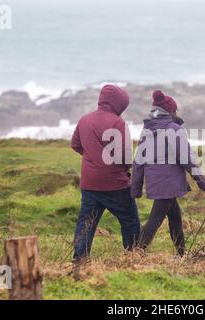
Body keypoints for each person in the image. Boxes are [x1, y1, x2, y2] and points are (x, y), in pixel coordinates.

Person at [131, 90, 205, 256]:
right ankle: (136, 254)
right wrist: (200, 179)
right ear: (171, 112)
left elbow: (138, 160)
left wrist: (136, 187)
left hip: (158, 184)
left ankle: (181, 254)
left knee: (175, 218)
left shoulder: (147, 130)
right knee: (155, 220)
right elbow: (186, 157)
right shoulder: (173, 129)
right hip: (169, 184)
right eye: (176, 110)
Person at [71, 84, 140, 263]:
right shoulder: (118, 123)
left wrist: (92, 157)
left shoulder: (84, 119)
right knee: (130, 220)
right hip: (114, 183)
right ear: (118, 104)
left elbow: (75, 144)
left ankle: (79, 260)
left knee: (86, 223)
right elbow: (124, 157)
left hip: (89, 182)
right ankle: (133, 257)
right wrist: (126, 170)